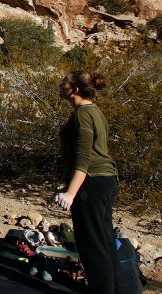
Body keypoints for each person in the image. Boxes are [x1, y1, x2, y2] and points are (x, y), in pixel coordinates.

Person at [55, 70, 121, 294]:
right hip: (105, 180)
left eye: (65, 81)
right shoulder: (95, 111)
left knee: (91, 244)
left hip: (91, 183)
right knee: (104, 240)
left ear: (74, 90)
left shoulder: (82, 115)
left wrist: (70, 193)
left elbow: (84, 159)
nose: (60, 83)